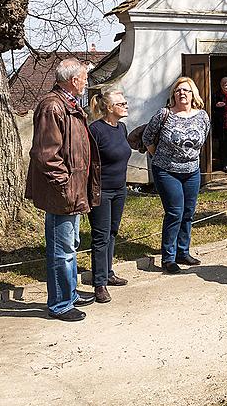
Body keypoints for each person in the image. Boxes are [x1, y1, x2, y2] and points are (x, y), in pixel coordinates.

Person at [26, 58, 100, 322]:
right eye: (83, 77)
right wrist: (65, 184)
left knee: (71, 245)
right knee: (62, 249)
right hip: (63, 192)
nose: (86, 82)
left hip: (73, 190)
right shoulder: (52, 106)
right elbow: (46, 155)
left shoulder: (69, 104)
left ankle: (69, 294)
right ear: (73, 80)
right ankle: (60, 303)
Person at [143, 77, 211, 274]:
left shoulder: (203, 116)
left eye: (187, 91)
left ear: (193, 95)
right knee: (175, 212)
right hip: (166, 171)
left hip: (192, 171)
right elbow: (148, 138)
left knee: (188, 212)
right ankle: (168, 257)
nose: (182, 93)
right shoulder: (164, 114)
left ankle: (183, 251)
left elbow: (202, 140)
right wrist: (161, 158)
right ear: (173, 95)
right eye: (178, 90)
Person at [87, 89, 132, 303]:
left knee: (113, 232)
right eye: (121, 103)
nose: (125, 106)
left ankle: (108, 273)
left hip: (119, 189)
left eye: (125, 102)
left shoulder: (121, 128)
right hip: (101, 191)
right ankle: (99, 283)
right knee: (101, 236)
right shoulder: (95, 130)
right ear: (109, 108)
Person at [212, 77, 227, 173]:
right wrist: (216, 106)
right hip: (222, 125)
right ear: (221, 86)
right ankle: (224, 165)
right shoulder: (216, 95)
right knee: (223, 146)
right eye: (225, 85)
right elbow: (212, 110)